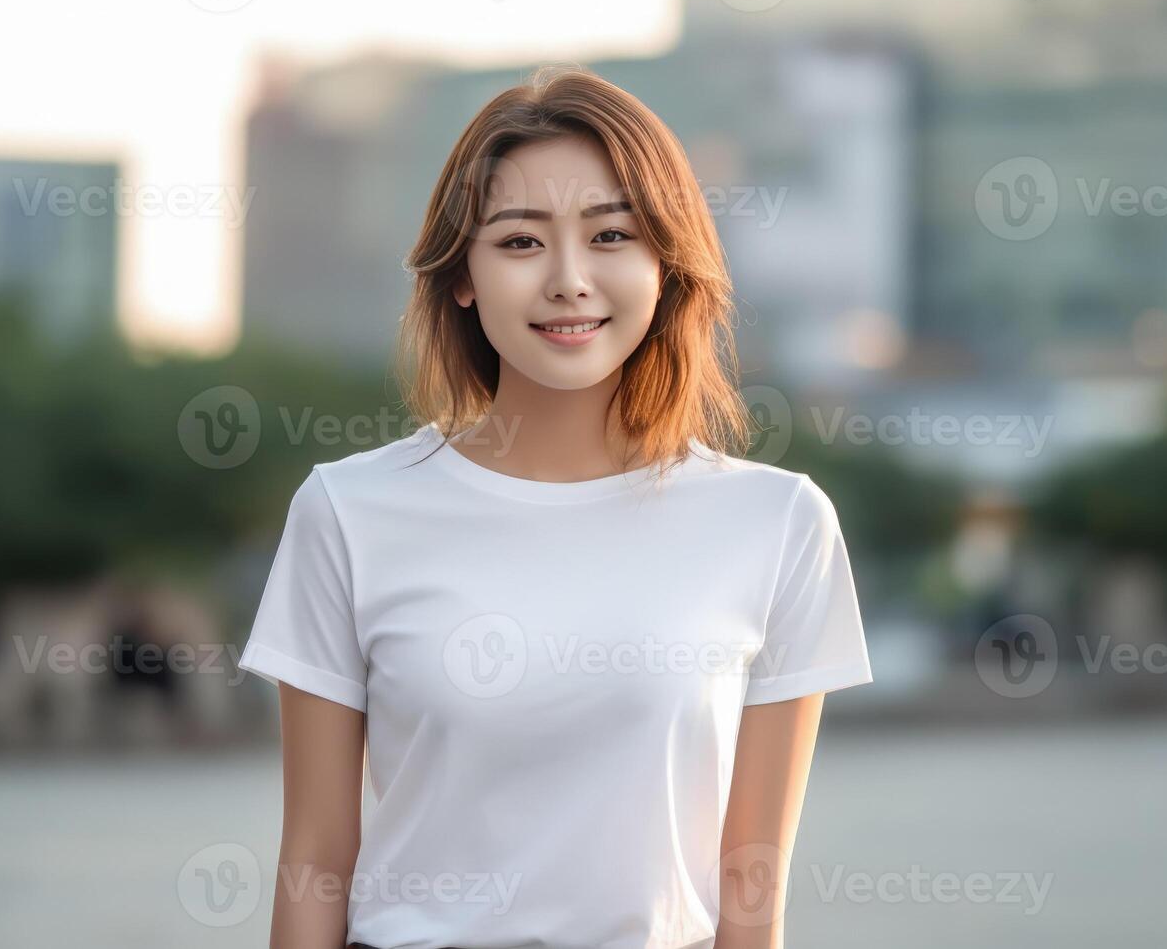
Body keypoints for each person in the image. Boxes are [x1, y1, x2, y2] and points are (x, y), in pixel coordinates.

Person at [239, 63, 874, 949]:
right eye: (520, 242)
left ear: (666, 263)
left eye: (611, 235)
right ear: (461, 275)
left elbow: (752, 893)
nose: (570, 280)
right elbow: (314, 858)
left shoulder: (779, 524)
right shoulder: (349, 512)